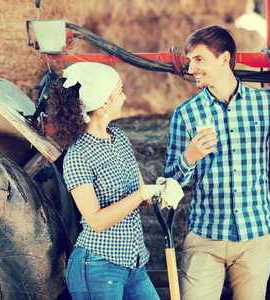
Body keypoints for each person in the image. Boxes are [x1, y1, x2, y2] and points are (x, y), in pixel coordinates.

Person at [163, 25, 270, 300]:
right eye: (190, 61)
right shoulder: (185, 114)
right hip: (206, 238)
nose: (191, 69)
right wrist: (189, 157)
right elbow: (170, 184)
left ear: (224, 58)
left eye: (199, 59)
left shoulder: (265, 105)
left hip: (254, 238)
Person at [45, 62, 183, 300]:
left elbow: (139, 195)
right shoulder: (78, 155)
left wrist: (161, 191)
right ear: (103, 102)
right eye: (119, 91)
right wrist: (141, 195)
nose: (125, 96)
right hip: (98, 266)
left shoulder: (119, 138)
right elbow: (96, 221)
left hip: (134, 263)